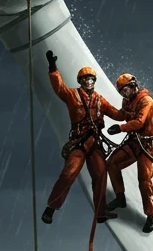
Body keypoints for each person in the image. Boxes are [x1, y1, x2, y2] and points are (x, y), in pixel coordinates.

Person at [41, 51, 126, 225]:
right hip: (78, 143)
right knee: (68, 174)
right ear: (80, 81)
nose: (89, 81)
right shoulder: (72, 95)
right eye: (86, 79)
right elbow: (59, 87)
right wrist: (52, 67)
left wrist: (131, 109)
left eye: (91, 79)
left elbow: (116, 114)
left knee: (101, 174)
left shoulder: (99, 100)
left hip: (94, 143)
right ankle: (51, 207)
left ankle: (100, 212)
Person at [106, 73, 153, 234]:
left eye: (126, 89)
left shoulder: (146, 101)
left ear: (134, 85)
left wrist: (120, 128)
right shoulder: (128, 101)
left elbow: (139, 122)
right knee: (112, 163)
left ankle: (151, 215)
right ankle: (120, 197)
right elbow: (121, 114)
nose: (124, 93)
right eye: (122, 91)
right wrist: (102, 109)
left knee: (144, 180)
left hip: (147, 145)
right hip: (134, 142)